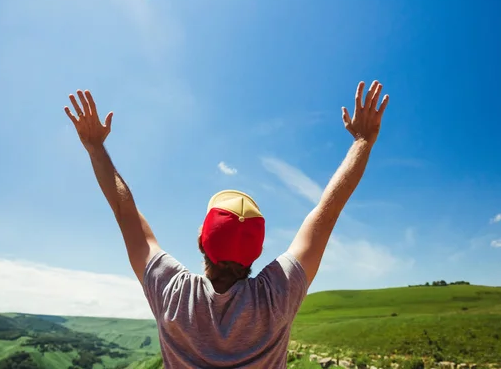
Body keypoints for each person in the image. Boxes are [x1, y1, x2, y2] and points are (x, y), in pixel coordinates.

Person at [64, 80, 389, 368]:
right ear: (257, 252)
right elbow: (325, 215)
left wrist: (95, 146)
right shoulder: (276, 296)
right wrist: (362, 142)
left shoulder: (173, 293)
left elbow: (126, 212)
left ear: (201, 241)